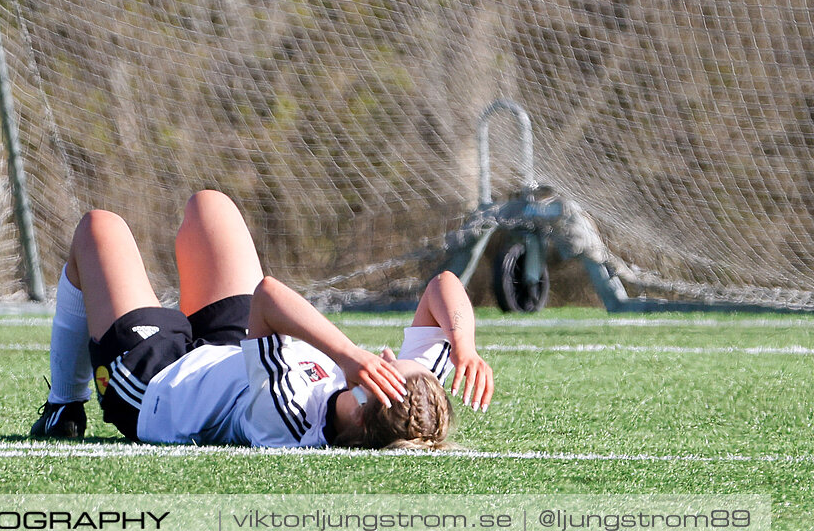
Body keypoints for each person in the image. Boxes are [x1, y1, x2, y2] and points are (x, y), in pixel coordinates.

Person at [30, 190, 493, 449]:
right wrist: (464, 346)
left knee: (98, 227)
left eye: (388, 367)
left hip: (162, 387)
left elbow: (267, 296)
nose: (389, 355)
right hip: (237, 352)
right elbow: (443, 286)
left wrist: (348, 354)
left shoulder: (289, 419)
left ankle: (63, 406)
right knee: (210, 207)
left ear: (359, 400)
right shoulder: (399, 400)